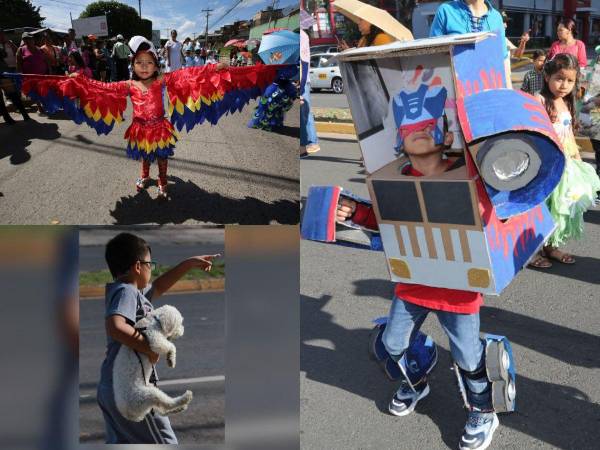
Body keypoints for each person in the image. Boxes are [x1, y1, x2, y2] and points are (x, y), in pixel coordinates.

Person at [337, 101, 507, 449]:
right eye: (409, 125)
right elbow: (388, 224)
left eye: (427, 123)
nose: (417, 128)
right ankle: (417, 380)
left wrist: (481, 208)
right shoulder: (393, 179)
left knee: (467, 357)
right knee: (392, 343)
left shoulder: (470, 176)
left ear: (446, 132)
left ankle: (483, 409)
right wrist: (356, 213)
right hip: (413, 283)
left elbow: (497, 221)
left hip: (458, 288)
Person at [7, 36, 282, 199]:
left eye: (149, 63)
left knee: (161, 155)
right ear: (133, 66)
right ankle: (144, 177)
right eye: (139, 63)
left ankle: (162, 181)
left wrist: (216, 67)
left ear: (156, 65)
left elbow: (192, 75)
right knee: (144, 156)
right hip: (140, 128)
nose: (144, 67)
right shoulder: (128, 85)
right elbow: (100, 88)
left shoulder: (163, 80)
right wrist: (77, 81)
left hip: (160, 126)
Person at [97, 232, 218, 444]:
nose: (151, 269)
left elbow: (160, 285)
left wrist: (188, 264)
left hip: (112, 388)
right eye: (150, 264)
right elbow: (115, 327)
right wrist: (148, 347)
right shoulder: (126, 291)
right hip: (131, 390)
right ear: (137, 267)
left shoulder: (132, 292)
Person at [530, 53, 600, 267]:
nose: (564, 85)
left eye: (570, 80)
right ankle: (532, 251)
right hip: (544, 164)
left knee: (558, 207)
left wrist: (578, 159)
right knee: (540, 207)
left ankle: (551, 246)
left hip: (565, 164)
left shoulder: (567, 102)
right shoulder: (539, 99)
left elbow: (568, 134)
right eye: (559, 78)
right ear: (547, 76)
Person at [429, 0, 512, 88]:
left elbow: (504, 62)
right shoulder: (446, 11)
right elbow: (433, 59)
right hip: (454, 94)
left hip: (489, 93)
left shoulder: (496, 17)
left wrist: (509, 94)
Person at [299, 12, 320, 157]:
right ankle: (310, 143)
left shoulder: (301, 36)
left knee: (304, 113)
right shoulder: (302, 36)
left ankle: (307, 144)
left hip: (303, 80)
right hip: (303, 80)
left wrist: (300, 85)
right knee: (305, 112)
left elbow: (304, 63)